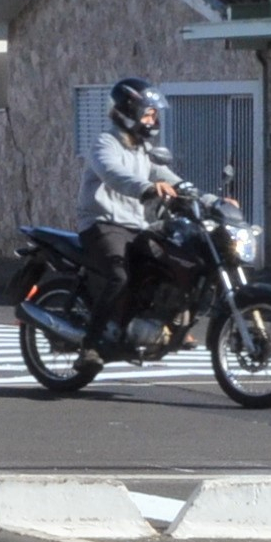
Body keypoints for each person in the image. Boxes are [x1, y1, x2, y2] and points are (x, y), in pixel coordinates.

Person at [79, 76, 182, 353]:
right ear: (128, 114)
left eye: (154, 114)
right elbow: (114, 174)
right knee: (119, 276)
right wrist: (148, 188)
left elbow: (173, 180)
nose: (152, 120)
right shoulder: (105, 144)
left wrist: (213, 200)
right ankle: (91, 344)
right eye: (147, 114)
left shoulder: (144, 151)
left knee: (172, 265)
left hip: (136, 226)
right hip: (103, 224)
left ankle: (157, 325)